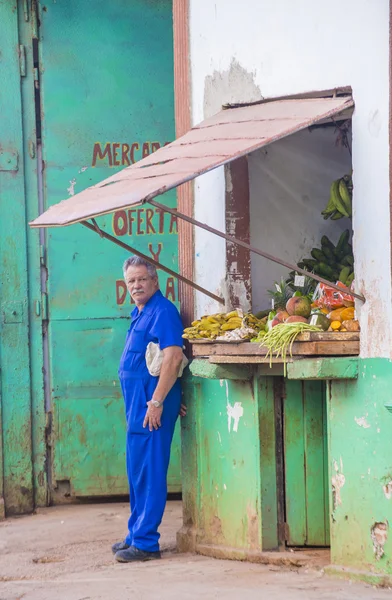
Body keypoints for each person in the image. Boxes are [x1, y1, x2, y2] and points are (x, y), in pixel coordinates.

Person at [112, 256, 186, 563]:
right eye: (131, 281)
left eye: (142, 279)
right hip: (138, 407)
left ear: (155, 281)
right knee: (137, 471)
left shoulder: (163, 312)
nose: (136, 285)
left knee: (151, 470)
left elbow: (172, 357)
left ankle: (146, 543)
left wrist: (158, 401)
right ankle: (134, 533)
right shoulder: (139, 312)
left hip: (150, 405)